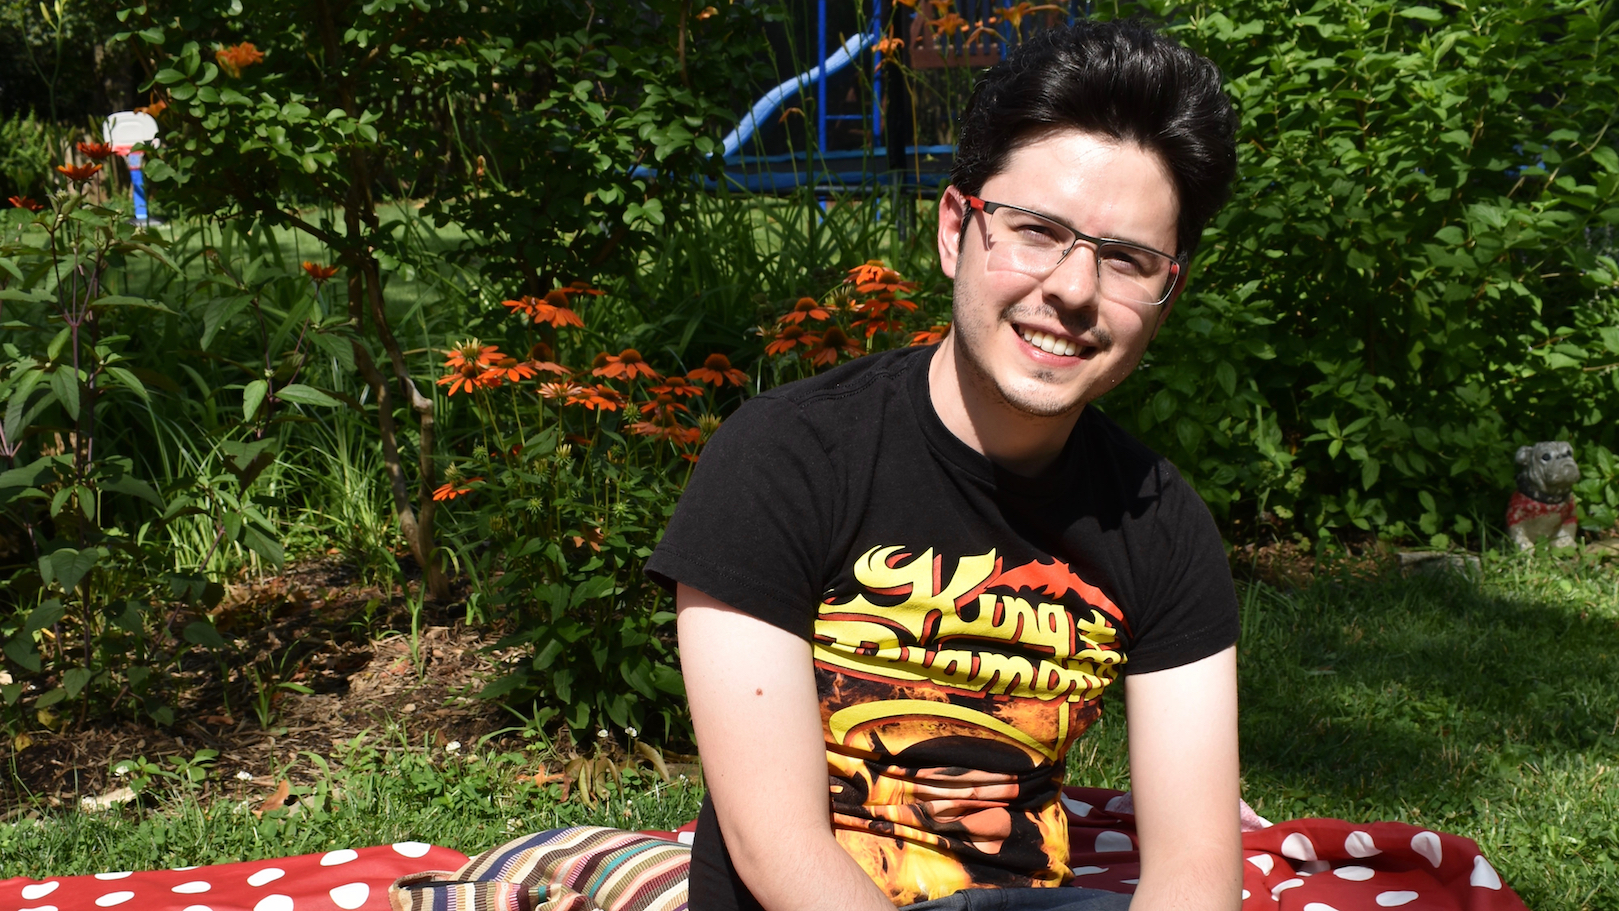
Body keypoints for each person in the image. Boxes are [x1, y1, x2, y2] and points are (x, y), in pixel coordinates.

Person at [646, 18, 1242, 911]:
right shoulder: (782, 459)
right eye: (1037, 231)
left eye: (1125, 259)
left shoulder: (1159, 523)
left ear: (1165, 295)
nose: (1074, 291)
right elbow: (776, 851)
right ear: (955, 229)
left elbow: (1196, 870)